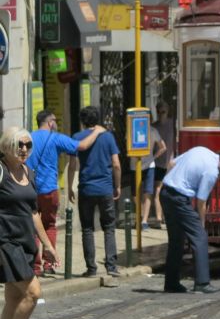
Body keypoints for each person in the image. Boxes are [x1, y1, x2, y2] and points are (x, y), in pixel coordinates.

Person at [0, 127, 60, 319]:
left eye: (28, 145)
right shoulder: (1, 171)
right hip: (6, 243)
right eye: (19, 144)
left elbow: (34, 212)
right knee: (33, 293)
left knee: (14, 297)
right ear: (7, 146)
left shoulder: (29, 172)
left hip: (25, 243)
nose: (24, 149)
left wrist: (47, 245)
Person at [25, 109, 102, 277]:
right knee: (49, 225)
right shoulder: (56, 138)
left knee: (33, 227)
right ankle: (48, 264)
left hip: (30, 190)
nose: (57, 124)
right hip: (50, 190)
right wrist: (96, 131)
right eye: (55, 121)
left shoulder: (28, 138)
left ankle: (35, 266)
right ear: (50, 122)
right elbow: (82, 146)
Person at [160, 148, 220, 294]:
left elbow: (171, 164)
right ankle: (202, 283)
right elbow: (201, 202)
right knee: (200, 238)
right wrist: (201, 224)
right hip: (179, 199)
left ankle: (171, 283)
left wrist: (169, 183)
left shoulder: (200, 150)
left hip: (165, 193)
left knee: (176, 240)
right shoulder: (212, 171)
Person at [67, 107, 121, 279]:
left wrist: (69, 186)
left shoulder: (76, 137)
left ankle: (91, 268)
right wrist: (117, 185)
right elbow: (116, 164)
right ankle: (111, 266)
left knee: (87, 229)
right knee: (109, 227)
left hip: (86, 188)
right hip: (105, 188)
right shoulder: (107, 136)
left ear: (82, 121)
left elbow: (72, 164)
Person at [133, 125, 166, 230]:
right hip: (136, 165)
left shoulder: (152, 130)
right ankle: (142, 217)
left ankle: (144, 220)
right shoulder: (134, 128)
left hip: (144, 165)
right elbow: (163, 147)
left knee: (147, 192)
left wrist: (154, 157)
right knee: (137, 193)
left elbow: (163, 147)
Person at [152, 101, 177, 230]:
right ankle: (158, 218)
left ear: (168, 112)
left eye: (163, 112)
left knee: (166, 192)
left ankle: (166, 217)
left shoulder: (172, 124)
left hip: (170, 164)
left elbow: (175, 142)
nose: (161, 114)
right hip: (157, 163)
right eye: (159, 112)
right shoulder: (154, 126)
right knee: (157, 190)